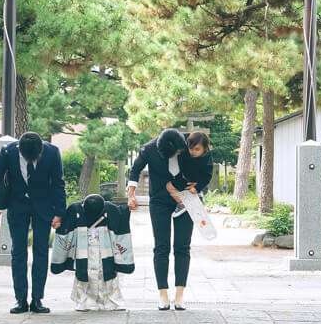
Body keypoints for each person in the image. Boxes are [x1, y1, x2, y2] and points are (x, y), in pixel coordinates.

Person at [128, 129, 212, 311]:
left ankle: (180, 295)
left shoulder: (190, 141)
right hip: (159, 200)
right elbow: (135, 170)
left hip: (187, 199)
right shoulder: (149, 149)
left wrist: (200, 185)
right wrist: (131, 194)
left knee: (182, 246)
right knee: (161, 246)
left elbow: (206, 160)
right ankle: (163, 294)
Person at [0, 131, 66, 314]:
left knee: (41, 252)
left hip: (43, 206)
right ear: (19, 150)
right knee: (18, 252)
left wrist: (59, 213)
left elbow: (58, 183)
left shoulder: (52, 153)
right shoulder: (8, 152)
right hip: (17, 205)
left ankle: (37, 299)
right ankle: (20, 299)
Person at [51, 193, 134, 311]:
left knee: (106, 272)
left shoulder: (108, 209)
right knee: (84, 273)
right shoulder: (77, 210)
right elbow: (121, 214)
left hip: (102, 247)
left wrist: (129, 207)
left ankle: (108, 301)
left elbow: (122, 214)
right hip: (85, 248)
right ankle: (85, 301)